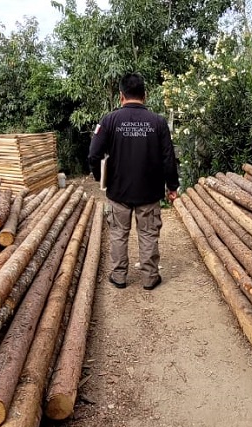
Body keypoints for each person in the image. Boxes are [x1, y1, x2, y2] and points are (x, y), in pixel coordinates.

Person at [88, 72, 179, 291]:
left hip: (118, 192)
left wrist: (101, 178)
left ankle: (119, 276)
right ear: (145, 95)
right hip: (149, 192)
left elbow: (93, 154)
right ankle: (150, 277)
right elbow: (169, 159)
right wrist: (172, 187)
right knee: (148, 233)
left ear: (121, 96)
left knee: (119, 233)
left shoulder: (109, 121)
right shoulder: (158, 122)